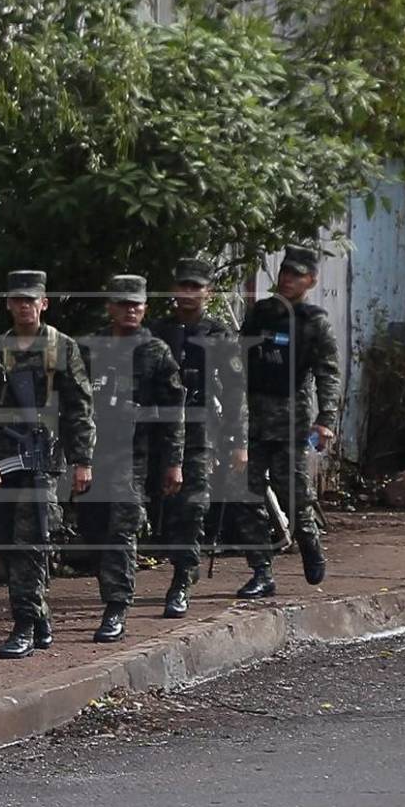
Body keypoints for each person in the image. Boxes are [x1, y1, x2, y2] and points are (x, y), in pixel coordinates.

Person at [0, 270, 96, 659]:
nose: (23, 305)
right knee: (5, 541)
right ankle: (39, 615)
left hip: (40, 460)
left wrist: (82, 460)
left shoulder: (61, 348)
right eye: (16, 298)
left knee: (31, 542)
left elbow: (79, 409)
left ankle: (22, 624)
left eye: (30, 299)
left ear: (44, 303)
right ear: (7, 303)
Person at [77, 275, 185, 642]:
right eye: (122, 304)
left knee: (120, 530)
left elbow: (174, 413)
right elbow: (69, 401)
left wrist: (174, 462)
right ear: (110, 307)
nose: (129, 310)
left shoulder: (156, 352)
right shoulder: (89, 347)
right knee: (92, 530)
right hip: (91, 454)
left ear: (145, 308)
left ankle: (117, 607)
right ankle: (110, 592)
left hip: (134, 455)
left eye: (136, 304)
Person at [147, 257, 249, 617]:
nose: (188, 293)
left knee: (192, 507)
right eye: (183, 286)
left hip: (200, 431)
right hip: (155, 430)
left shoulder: (219, 335)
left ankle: (182, 579)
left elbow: (236, 391)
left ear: (208, 291)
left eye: (196, 287)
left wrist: (238, 441)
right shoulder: (157, 331)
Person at [236, 244, 340, 597]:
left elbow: (328, 372)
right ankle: (261, 570)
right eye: (285, 272)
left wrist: (325, 419)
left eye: (297, 275)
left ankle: (308, 539)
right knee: (246, 494)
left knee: (293, 491)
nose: (288, 280)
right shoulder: (260, 314)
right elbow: (240, 361)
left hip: (291, 418)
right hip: (251, 417)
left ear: (310, 280)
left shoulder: (314, 323)